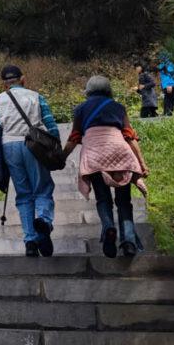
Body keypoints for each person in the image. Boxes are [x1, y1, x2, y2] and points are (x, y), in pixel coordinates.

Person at [62, 76, 150, 258]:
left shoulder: (80, 109)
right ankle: (129, 243)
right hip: (119, 151)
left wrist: (61, 157)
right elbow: (129, 136)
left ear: (88, 91)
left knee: (103, 199)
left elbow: (74, 137)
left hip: (94, 155)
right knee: (124, 201)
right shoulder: (118, 107)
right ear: (108, 90)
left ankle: (109, 227)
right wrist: (141, 163)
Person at [0, 65, 59, 257]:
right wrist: (57, 150)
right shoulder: (36, 97)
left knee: (24, 194)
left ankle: (30, 241)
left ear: (4, 84)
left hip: (10, 147)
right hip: (34, 146)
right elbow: (51, 125)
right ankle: (43, 220)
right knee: (42, 188)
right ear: (23, 79)